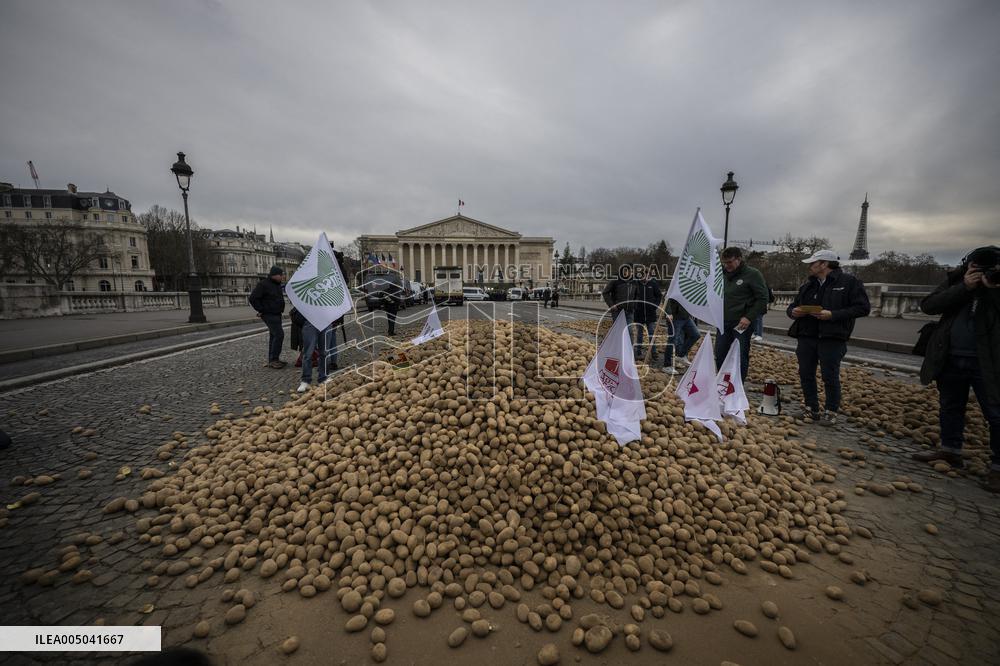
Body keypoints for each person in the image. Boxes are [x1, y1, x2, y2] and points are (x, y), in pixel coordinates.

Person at [912, 246, 1000, 492]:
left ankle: (998, 467)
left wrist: (992, 289)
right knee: (950, 406)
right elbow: (929, 305)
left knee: (996, 413)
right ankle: (950, 450)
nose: (981, 272)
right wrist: (965, 286)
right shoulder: (957, 281)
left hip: (989, 361)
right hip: (950, 356)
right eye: (976, 266)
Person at [787, 250, 871, 425]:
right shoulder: (808, 285)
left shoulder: (849, 282)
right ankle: (811, 408)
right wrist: (793, 312)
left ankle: (831, 411)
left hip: (833, 336)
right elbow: (793, 306)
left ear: (824, 264)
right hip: (807, 335)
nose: (810, 266)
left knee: (829, 375)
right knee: (805, 373)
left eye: (813, 263)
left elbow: (863, 308)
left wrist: (832, 315)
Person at [715, 248, 769, 382]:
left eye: (730, 262)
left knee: (739, 354)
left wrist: (749, 317)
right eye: (724, 262)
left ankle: (737, 385)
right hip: (723, 322)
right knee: (720, 352)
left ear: (739, 259)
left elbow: (763, 298)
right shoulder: (720, 274)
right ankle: (723, 382)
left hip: (741, 323)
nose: (727, 265)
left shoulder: (753, 274)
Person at [248, 266, 286, 368]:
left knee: (274, 336)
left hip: (276, 313)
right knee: (279, 335)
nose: (282, 277)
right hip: (269, 314)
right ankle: (274, 360)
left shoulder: (276, 284)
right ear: (275, 275)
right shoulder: (263, 284)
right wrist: (261, 310)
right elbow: (252, 298)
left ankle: (272, 359)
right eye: (281, 275)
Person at [632, 267, 663, 362]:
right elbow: (632, 296)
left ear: (648, 275)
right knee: (639, 334)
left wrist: (655, 306)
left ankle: (653, 352)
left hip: (651, 314)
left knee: (651, 333)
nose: (644, 277)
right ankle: (638, 352)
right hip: (639, 313)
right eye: (642, 275)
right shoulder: (636, 284)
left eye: (646, 275)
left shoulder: (653, 284)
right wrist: (635, 306)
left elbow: (659, 296)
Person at [663, 298, 700, 374]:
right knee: (673, 340)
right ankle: (667, 365)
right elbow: (667, 297)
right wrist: (668, 312)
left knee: (696, 335)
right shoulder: (675, 285)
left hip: (686, 317)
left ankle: (681, 355)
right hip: (674, 317)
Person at [602, 265, 638, 331]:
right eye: (631, 271)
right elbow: (605, 292)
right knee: (618, 330)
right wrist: (611, 305)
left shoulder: (634, 282)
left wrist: (634, 305)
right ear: (624, 271)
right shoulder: (615, 281)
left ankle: (628, 341)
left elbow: (637, 295)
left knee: (629, 331)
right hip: (617, 311)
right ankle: (615, 341)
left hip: (630, 311)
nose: (632, 273)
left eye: (632, 271)